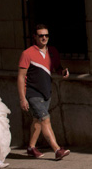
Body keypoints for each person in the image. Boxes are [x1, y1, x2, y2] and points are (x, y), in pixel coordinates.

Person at [18, 24, 71, 160]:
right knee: (45, 120)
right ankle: (57, 149)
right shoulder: (27, 53)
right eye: (41, 35)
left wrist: (63, 71)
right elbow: (20, 77)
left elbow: (57, 68)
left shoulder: (52, 51)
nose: (44, 38)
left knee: (38, 120)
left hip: (46, 92)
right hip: (32, 93)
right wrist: (22, 98)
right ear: (35, 37)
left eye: (46, 35)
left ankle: (31, 147)